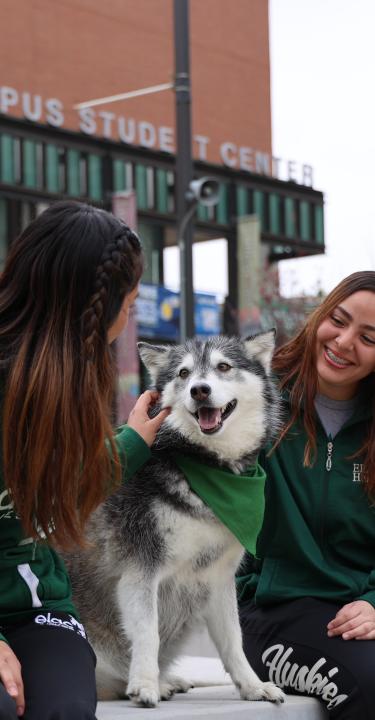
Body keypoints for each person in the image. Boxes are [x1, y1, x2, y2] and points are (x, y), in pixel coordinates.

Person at [0, 200, 169, 720]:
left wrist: (133, 442)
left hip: (36, 606)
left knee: (67, 709)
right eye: (131, 303)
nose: (128, 316)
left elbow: (60, 494)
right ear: (96, 305)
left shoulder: (73, 384)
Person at [237, 271, 375, 720]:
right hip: (267, 610)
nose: (344, 341)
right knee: (368, 685)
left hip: (360, 611)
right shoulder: (255, 395)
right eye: (338, 320)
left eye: (369, 338)